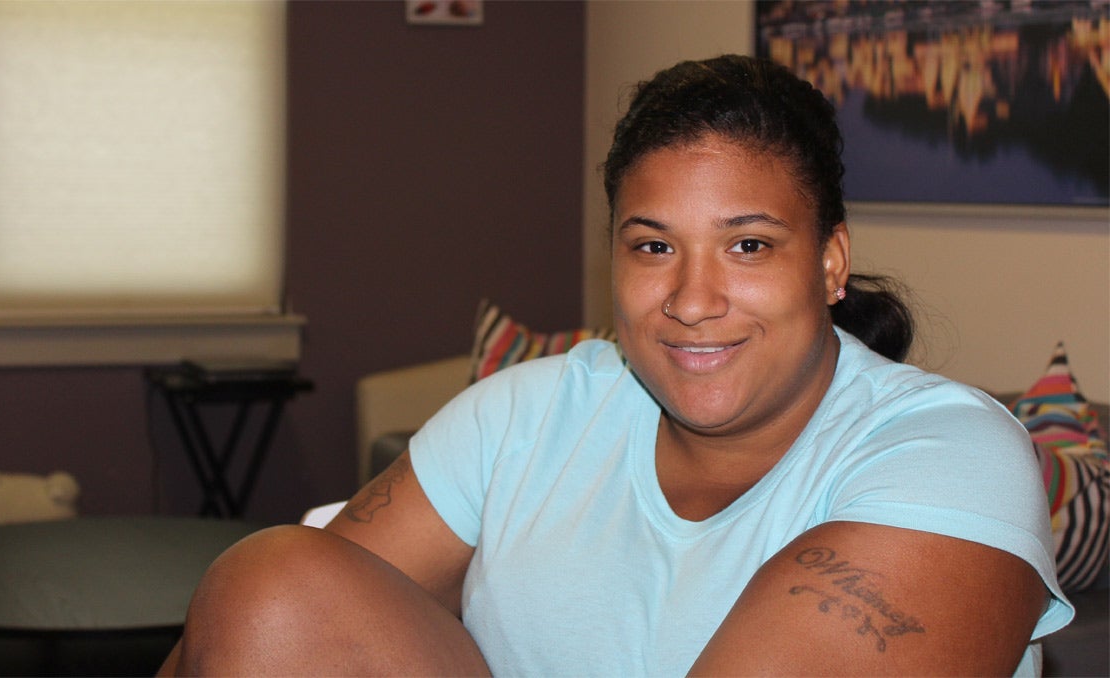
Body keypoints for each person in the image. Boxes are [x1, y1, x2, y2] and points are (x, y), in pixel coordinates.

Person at [160, 55, 1072, 676]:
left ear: (829, 262)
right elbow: (265, 637)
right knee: (266, 579)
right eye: (651, 247)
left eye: (748, 246)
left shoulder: (950, 458)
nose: (691, 298)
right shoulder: (520, 418)